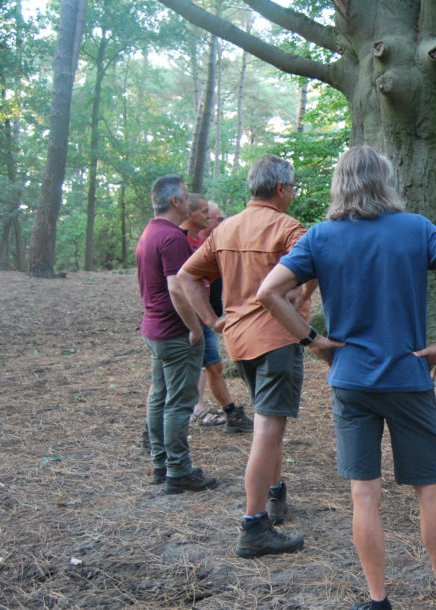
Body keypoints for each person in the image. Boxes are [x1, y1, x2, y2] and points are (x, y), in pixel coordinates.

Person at [258, 145, 436, 610]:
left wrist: (312, 341)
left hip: (351, 380)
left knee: (364, 494)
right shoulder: (416, 229)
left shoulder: (321, 237)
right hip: (408, 378)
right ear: (385, 180)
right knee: (429, 490)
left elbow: (269, 293)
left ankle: (378, 600)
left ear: (340, 183)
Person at [179, 155, 314, 558]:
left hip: (240, 341)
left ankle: (275, 495)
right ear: (280, 189)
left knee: (269, 423)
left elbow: (187, 275)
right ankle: (253, 526)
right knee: (268, 429)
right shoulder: (288, 229)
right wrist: (302, 296)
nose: (291, 195)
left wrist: (214, 321)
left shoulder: (227, 228)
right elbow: (314, 268)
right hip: (276, 339)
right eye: (291, 188)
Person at [136, 174, 218, 494]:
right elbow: (176, 287)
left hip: (154, 329)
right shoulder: (171, 238)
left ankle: (161, 464)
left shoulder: (150, 233)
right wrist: (195, 327)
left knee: (159, 396)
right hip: (173, 333)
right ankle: (179, 470)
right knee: (179, 402)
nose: (189, 201)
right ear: (175, 202)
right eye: (185, 197)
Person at [180, 193, 252, 433]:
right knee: (185, 370)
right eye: (217, 218)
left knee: (212, 366)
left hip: (206, 318)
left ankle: (227, 413)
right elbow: (180, 284)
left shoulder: (211, 245)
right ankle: (178, 418)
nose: (221, 223)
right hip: (194, 320)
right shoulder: (189, 246)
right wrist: (203, 321)